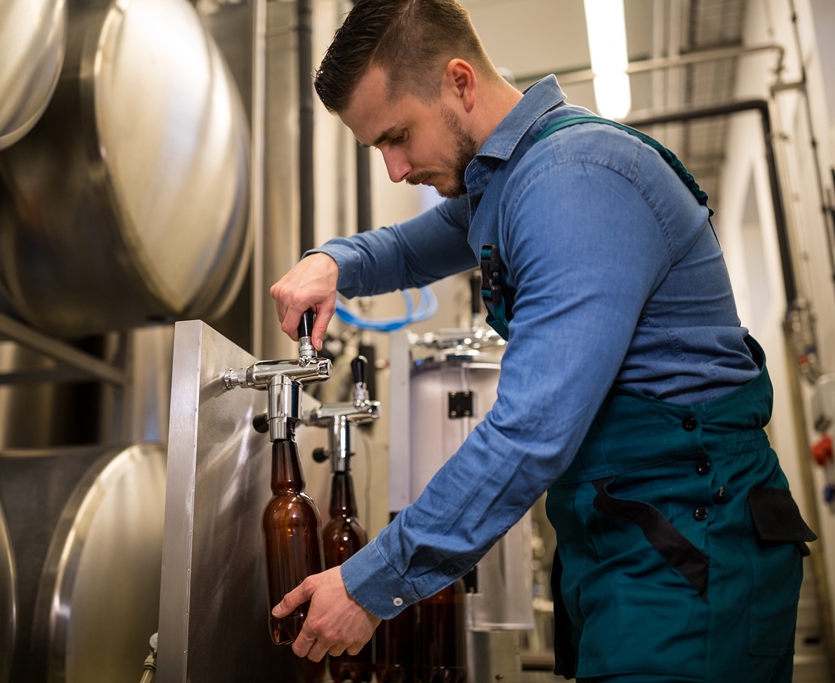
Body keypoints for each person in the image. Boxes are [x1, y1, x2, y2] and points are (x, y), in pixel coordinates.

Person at [269, 0, 817, 680]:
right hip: (628, 535)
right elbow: (411, 249)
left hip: (693, 544)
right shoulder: (511, 179)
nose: (394, 168)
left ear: (460, 82)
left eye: (397, 136)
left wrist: (369, 581)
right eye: (377, 147)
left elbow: (530, 432)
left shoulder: (574, 181)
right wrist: (334, 263)